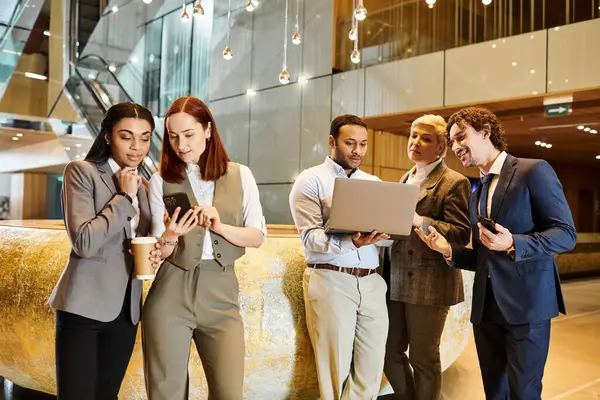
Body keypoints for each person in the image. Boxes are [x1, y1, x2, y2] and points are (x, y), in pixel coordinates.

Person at [416, 107, 576, 399]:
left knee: (524, 392)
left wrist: (514, 242)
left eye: (461, 137)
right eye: (452, 142)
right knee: (494, 392)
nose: (455, 147)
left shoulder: (533, 170)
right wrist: (448, 250)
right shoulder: (478, 190)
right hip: (487, 308)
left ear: (486, 132)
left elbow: (566, 234)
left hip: (527, 306)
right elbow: (484, 255)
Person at [142, 96, 266, 400]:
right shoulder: (160, 181)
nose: (180, 145)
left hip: (222, 290)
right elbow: (160, 252)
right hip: (171, 291)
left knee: (228, 393)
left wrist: (219, 226)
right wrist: (171, 233)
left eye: (188, 135)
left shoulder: (241, 175)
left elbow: (257, 236)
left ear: (208, 130)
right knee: (165, 393)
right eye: (172, 136)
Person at [48, 102, 160, 399]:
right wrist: (123, 196)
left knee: (107, 395)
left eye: (145, 137)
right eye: (127, 136)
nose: (137, 147)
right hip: (84, 308)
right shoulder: (82, 172)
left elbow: (146, 243)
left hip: (126, 311)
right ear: (108, 136)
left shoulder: (146, 187)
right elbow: (84, 242)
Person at [289, 114, 391, 400]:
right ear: (332, 142)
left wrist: (389, 231)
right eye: (350, 143)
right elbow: (310, 238)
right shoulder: (310, 181)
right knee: (335, 371)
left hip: (372, 282)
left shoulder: (374, 182)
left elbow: (388, 235)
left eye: (363, 144)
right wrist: (351, 241)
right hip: (331, 279)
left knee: (370, 372)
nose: (357, 150)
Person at [382, 115, 471, 400]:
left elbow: (460, 234)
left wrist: (420, 220)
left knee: (424, 358)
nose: (415, 143)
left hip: (430, 284)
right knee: (389, 352)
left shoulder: (454, 182)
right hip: (396, 280)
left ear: (441, 147)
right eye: (413, 135)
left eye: (425, 138)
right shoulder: (405, 178)